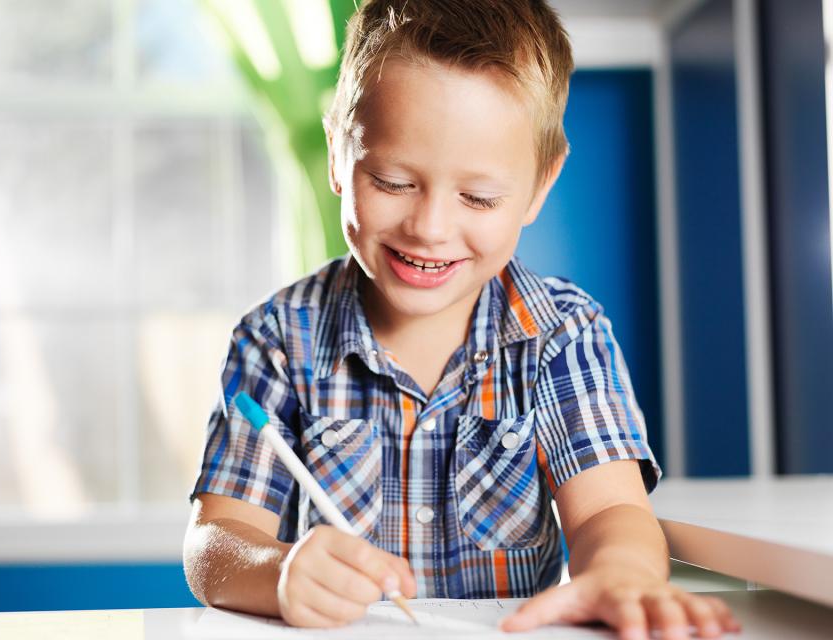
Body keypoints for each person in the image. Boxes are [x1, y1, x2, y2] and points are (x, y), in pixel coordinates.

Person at [183, 1, 741, 637]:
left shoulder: (560, 336)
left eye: (477, 197)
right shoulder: (276, 340)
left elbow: (609, 511)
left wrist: (620, 573)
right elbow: (214, 543)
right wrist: (278, 572)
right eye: (393, 181)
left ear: (539, 186)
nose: (430, 228)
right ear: (338, 154)